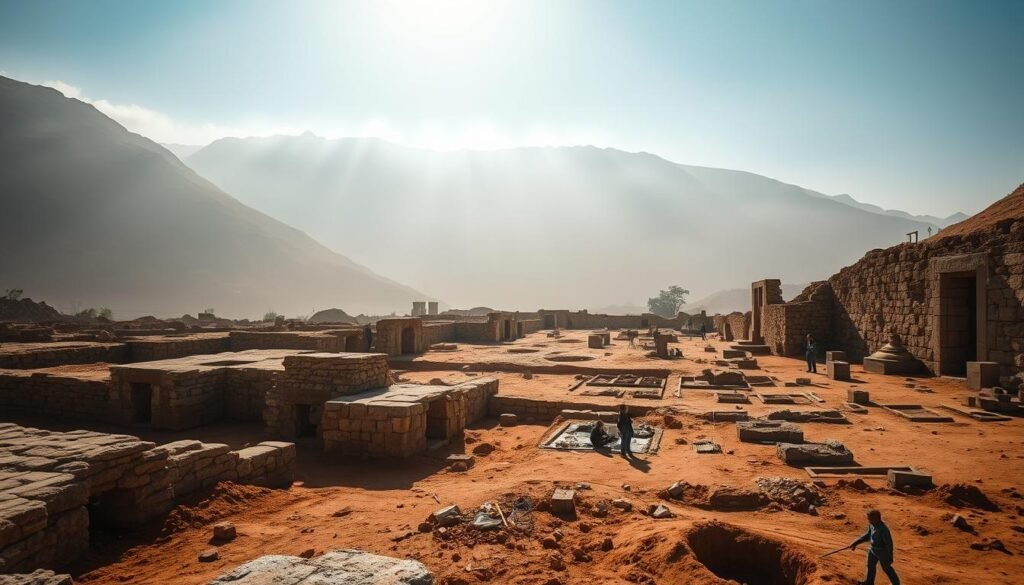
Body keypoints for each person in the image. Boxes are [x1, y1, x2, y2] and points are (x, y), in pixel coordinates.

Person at [849, 509, 901, 585]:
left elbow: (889, 544)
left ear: (877, 518)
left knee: (887, 568)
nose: (868, 520)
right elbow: (868, 535)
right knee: (870, 566)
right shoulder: (872, 524)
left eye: (870, 518)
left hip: (882, 552)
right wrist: (856, 543)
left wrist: (889, 556)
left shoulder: (883, 529)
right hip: (873, 549)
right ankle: (869, 582)